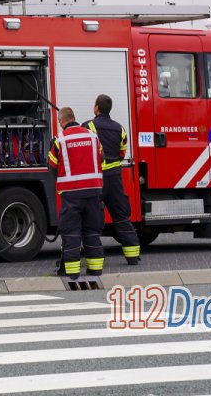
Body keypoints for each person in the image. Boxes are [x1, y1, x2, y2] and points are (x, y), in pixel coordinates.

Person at [48, 107, 105, 279]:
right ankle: (95, 271)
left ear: (61, 121)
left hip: (71, 195)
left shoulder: (59, 140)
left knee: (72, 233)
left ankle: (72, 274)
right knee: (92, 231)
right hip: (94, 192)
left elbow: (52, 167)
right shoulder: (92, 136)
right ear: (74, 117)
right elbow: (101, 158)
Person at [84, 94, 141, 265]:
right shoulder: (121, 129)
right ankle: (132, 256)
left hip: (98, 180)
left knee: (93, 218)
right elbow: (122, 153)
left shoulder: (88, 126)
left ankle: (95, 257)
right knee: (122, 217)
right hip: (115, 179)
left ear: (96, 108)